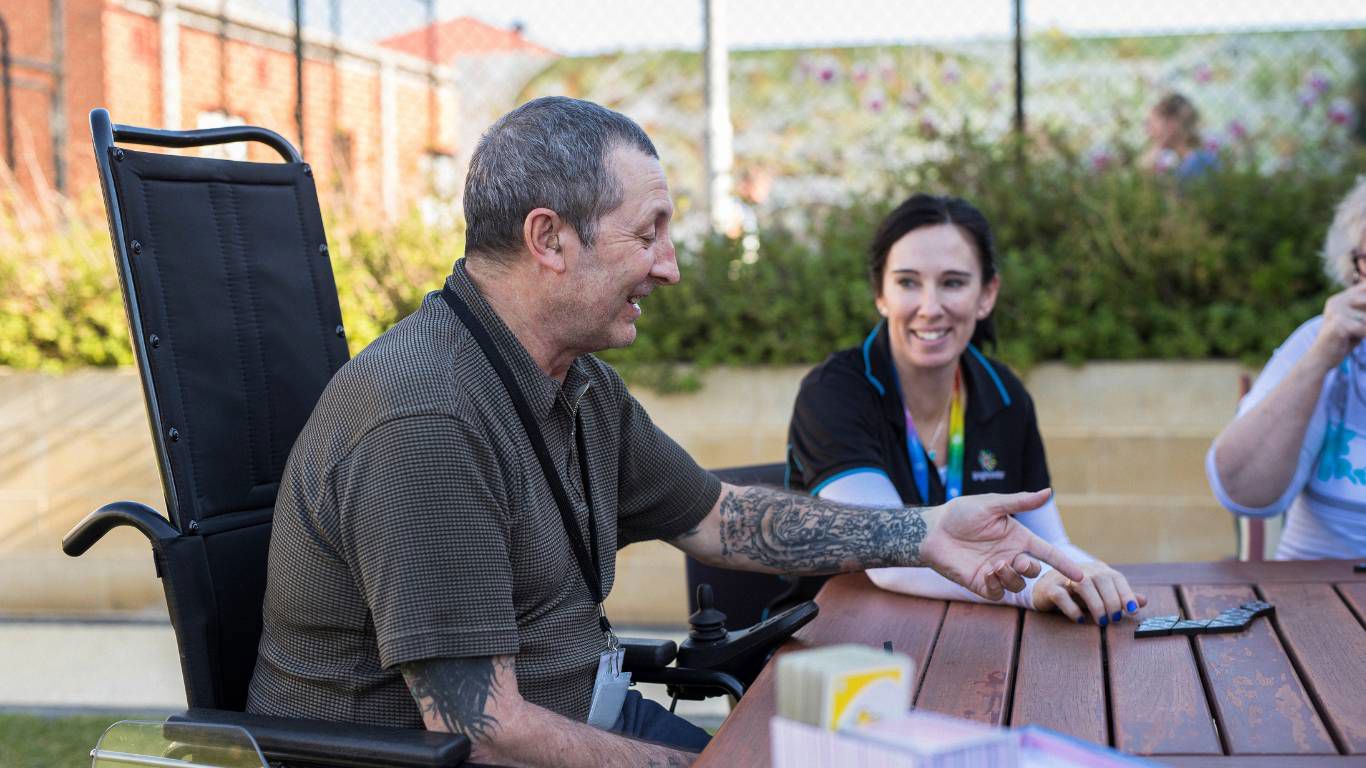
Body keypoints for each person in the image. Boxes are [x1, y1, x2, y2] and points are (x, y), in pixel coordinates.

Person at [245, 99, 1083, 767]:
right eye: (648, 232)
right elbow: (486, 730)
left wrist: (920, 533)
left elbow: (718, 517)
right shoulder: (424, 420)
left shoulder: (574, 384)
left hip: (576, 720)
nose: (671, 264)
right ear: (549, 240)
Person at [787, 193, 1144, 625]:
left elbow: (1049, 543)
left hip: (966, 643)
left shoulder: (1005, 394)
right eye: (907, 282)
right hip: (830, 646)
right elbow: (886, 557)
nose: (930, 307)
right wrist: (1034, 588)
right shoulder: (833, 393)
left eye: (953, 282)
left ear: (986, 294)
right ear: (880, 293)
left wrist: (1093, 576)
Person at [1207, 177, 1366, 559]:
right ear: (1355, 272)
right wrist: (1321, 357)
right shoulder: (1322, 341)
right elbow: (1243, 493)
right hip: (1318, 600)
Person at [1142, 92, 1217, 180]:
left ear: (1172, 124)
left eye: (1152, 124)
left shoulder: (1201, 163)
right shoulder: (1183, 164)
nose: (1148, 132)